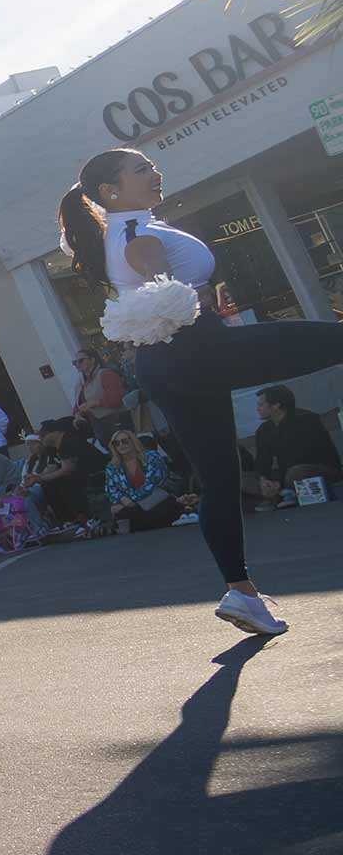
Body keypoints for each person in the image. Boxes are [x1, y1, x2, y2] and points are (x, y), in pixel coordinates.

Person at [56, 148, 343, 635]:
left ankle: (241, 593)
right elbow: (151, 273)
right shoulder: (136, 234)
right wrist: (170, 288)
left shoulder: (125, 229)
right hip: (197, 348)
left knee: (219, 480)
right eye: (141, 169)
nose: (155, 172)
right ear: (110, 191)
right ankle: (241, 592)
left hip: (167, 363)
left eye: (151, 165)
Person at [251, 383, 341, 509]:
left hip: (317, 468)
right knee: (247, 480)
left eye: (261, 404)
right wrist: (263, 480)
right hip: (286, 472)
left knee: (296, 472)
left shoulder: (307, 420)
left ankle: (282, 495)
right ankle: (278, 494)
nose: (257, 408)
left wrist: (278, 482)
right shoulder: (263, 430)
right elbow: (262, 460)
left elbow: (305, 456)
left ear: (276, 405)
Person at [21, 419, 105, 531]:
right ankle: (67, 520)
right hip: (81, 475)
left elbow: (67, 469)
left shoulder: (67, 442)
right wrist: (37, 478)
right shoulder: (55, 447)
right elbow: (53, 469)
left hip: (95, 473)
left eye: (43, 435)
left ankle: (82, 518)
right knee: (50, 484)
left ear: (55, 432)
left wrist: (39, 478)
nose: (41, 438)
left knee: (61, 482)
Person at [103, 428, 187, 532]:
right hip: (135, 505)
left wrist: (130, 502)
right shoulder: (112, 466)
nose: (121, 445)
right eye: (116, 443)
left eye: (124, 441)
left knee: (124, 512)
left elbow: (151, 485)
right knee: (121, 511)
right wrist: (123, 499)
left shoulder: (152, 456)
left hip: (157, 499)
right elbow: (111, 490)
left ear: (133, 441)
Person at [72, 347, 133, 447]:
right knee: (114, 455)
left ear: (92, 360)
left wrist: (95, 402)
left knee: (129, 451)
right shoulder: (80, 382)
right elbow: (79, 403)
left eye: (81, 360)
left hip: (116, 421)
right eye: (75, 362)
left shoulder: (106, 374)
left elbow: (116, 399)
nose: (77, 364)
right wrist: (77, 415)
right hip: (98, 425)